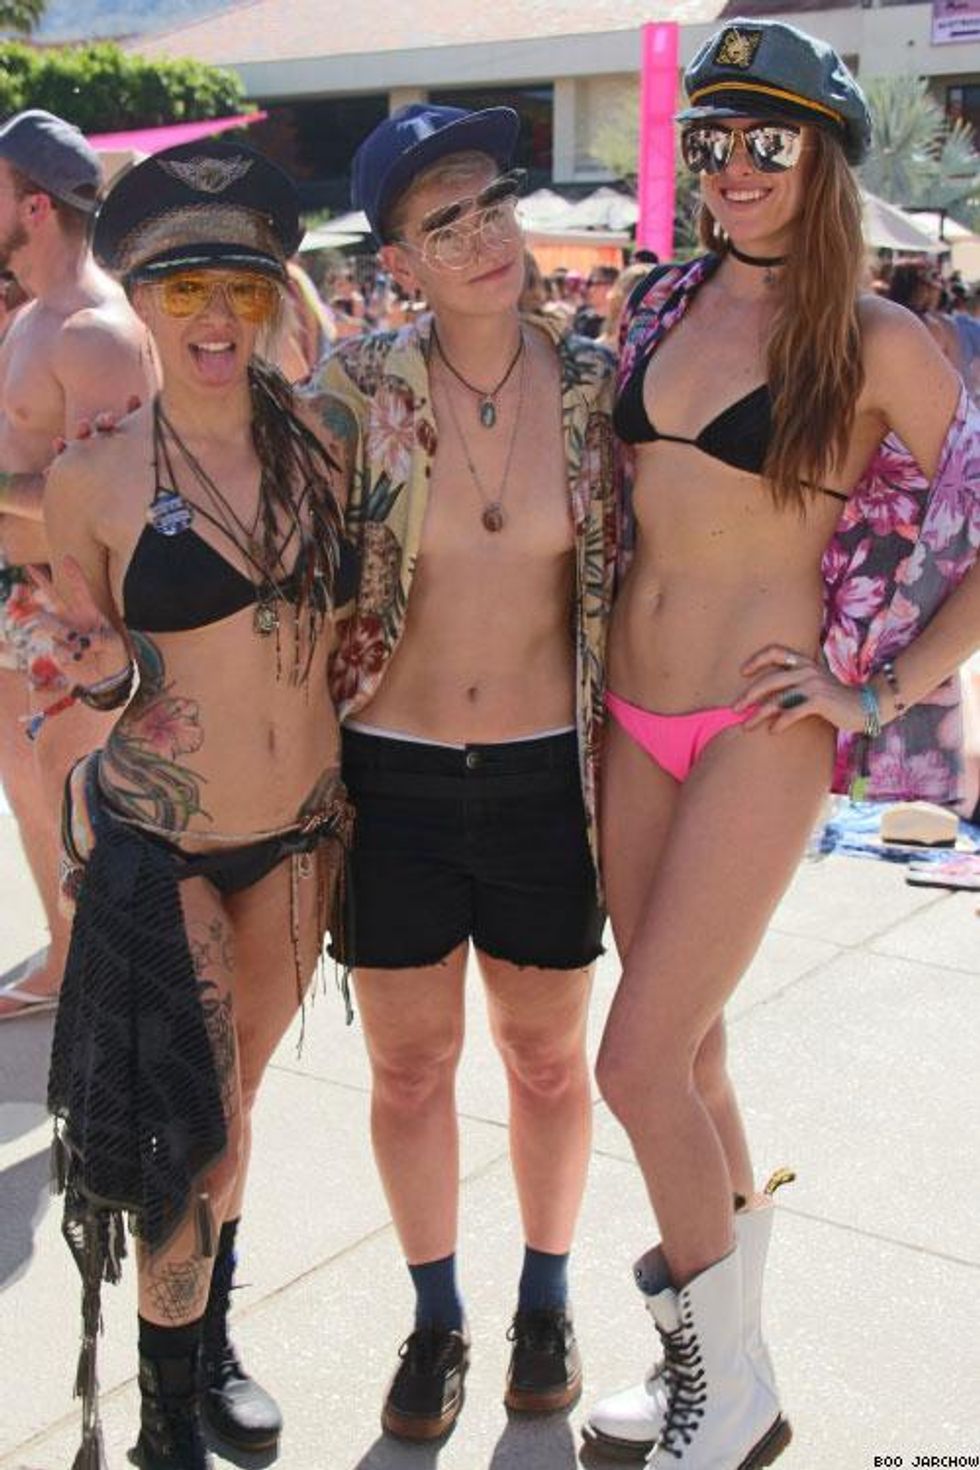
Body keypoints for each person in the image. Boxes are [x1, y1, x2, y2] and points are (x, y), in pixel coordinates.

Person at [584, 20, 980, 1468]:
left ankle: (726, 1388)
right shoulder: (656, 301)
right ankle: (723, 1367)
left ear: (826, 164)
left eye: (769, 142)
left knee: (635, 1063)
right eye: (711, 139)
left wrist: (875, 696)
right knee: (688, 1053)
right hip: (629, 720)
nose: (732, 168)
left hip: (759, 730)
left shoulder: (876, 338)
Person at [306, 103, 618, 1441]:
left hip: (546, 777)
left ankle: (546, 1297)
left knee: (547, 1062)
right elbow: (242, 520)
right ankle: (436, 1317)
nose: (485, 236)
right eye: (445, 224)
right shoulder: (350, 390)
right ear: (397, 261)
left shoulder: (597, 386)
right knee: (410, 1068)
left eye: (494, 203)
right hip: (395, 781)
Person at [41, 140, 354, 1470]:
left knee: (233, 1112)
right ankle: (167, 1426)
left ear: (277, 296)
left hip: (301, 842)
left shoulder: (329, 442)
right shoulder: (96, 476)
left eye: (242, 287)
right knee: (189, 1133)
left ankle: (206, 1340)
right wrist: (95, 682)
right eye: (184, 291)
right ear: (142, 303)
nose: (217, 317)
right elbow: (87, 669)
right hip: (161, 845)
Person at [0, 109, 154, 1019]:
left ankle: (107, 991)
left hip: (77, 607)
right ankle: (64, 963)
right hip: (19, 594)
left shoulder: (96, 331)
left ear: (33, 207)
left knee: (77, 802)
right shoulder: (31, 319)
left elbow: (109, 495)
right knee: (29, 791)